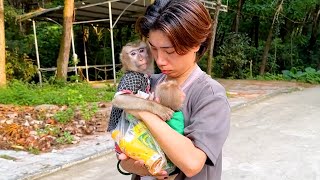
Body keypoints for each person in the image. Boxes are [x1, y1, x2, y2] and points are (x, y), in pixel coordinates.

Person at [118, 0, 230, 179]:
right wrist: (132, 164)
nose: (160, 60)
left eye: (169, 51)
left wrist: (144, 111)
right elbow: (124, 150)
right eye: (153, 48)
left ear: (196, 44)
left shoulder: (210, 95)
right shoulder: (148, 83)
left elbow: (192, 163)